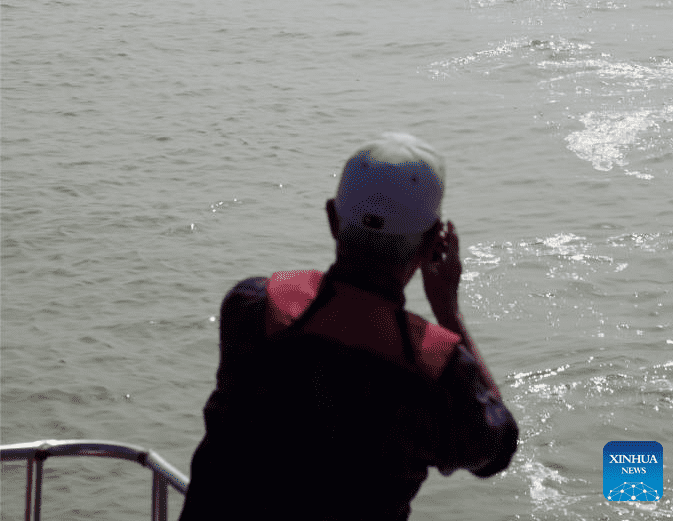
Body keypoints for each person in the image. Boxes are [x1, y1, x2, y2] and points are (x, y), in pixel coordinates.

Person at [179, 133, 518, 520]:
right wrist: (449, 312)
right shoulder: (438, 371)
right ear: (430, 247)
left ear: (332, 219)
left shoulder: (251, 309)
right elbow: (496, 449)